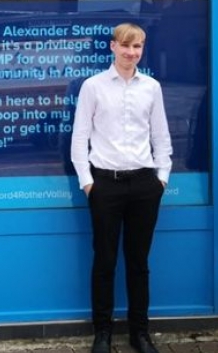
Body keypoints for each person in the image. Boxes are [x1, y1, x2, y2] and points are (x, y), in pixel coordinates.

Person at [70, 23, 172, 353]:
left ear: (143, 48)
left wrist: (162, 177)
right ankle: (103, 333)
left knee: (139, 262)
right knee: (105, 260)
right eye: (126, 46)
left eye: (138, 46)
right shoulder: (93, 86)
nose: (131, 52)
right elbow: (79, 138)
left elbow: (161, 137)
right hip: (105, 185)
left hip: (144, 183)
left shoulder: (152, 87)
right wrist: (88, 183)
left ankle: (139, 333)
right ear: (113, 46)